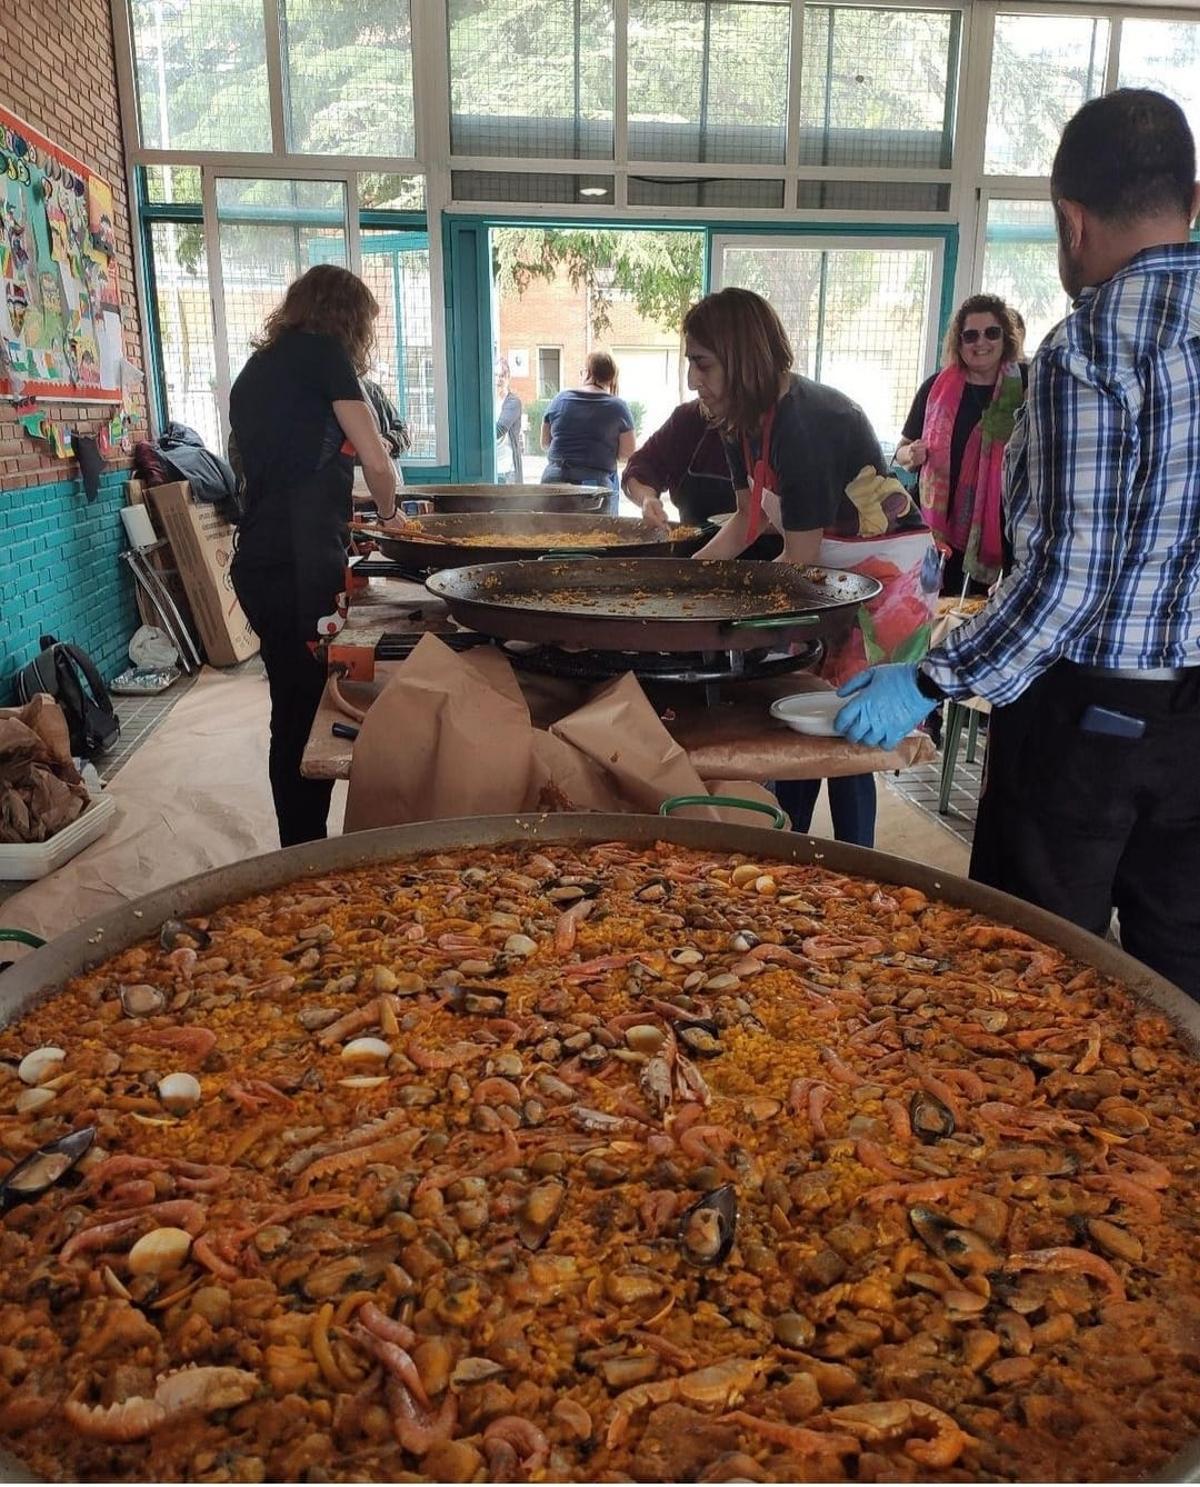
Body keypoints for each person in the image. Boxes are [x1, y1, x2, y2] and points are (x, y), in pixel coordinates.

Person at [835, 89, 1200, 999]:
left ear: (1071, 222)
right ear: (1191, 204)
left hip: (1086, 722)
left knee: (1020, 976)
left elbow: (1068, 583)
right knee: (1179, 978)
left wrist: (929, 677)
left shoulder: (1087, 353)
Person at [683, 287, 935, 847]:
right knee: (795, 719)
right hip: (827, 569)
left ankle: (855, 859)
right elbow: (749, 521)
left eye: (702, 364)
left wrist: (726, 612)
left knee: (849, 730)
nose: (694, 379)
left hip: (888, 577)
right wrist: (682, 583)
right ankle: (791, 846)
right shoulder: (739, 420)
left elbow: (796, 562)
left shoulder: (807, 421)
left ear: (741, 356)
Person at [229, 264, 399, 848]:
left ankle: (300, 846)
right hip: (300, 568)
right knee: (306, 715)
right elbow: (378, 459)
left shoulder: (257, 369)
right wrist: (393, 518)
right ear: (346, 319)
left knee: (292, 704)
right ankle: (304, 853)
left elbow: (286, 468)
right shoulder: (324, 355)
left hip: (261, 562)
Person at [894, 294, 1026, 596]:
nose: (981, 343)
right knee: (932, 611)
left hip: (1005, 532)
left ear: (1005, 337)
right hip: (937, 531)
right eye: (970, 336)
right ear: (959, 341)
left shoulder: (1027, 386)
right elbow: (900, 453)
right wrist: (910, 454)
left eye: (991, 333)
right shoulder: (935, 387)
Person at [622, 398, 781, 556]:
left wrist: (778, 519)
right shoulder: (687, 420)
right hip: (693, 556)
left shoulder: (786, 421)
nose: (693, 382)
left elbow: (800, 529)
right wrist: (646, 499)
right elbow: (640, 466)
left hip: (773, 564)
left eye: (706, 372)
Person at [540, 350, 636, 514]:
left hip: (554, 481)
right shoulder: (618, 407)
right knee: (597, 535)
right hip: (594, 487)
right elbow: (627, 453)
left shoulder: (560, 399)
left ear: (588, 373)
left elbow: (544, 443)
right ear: (611, 377)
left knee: (552, 534)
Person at [494, 361, 524, 484]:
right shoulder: (487, 401)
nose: (498, 379)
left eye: (502, 375)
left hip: (507, 470)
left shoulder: (513, 402)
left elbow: (500, 429)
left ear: (508, 378)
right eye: (495, 375)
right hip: (491, 469)